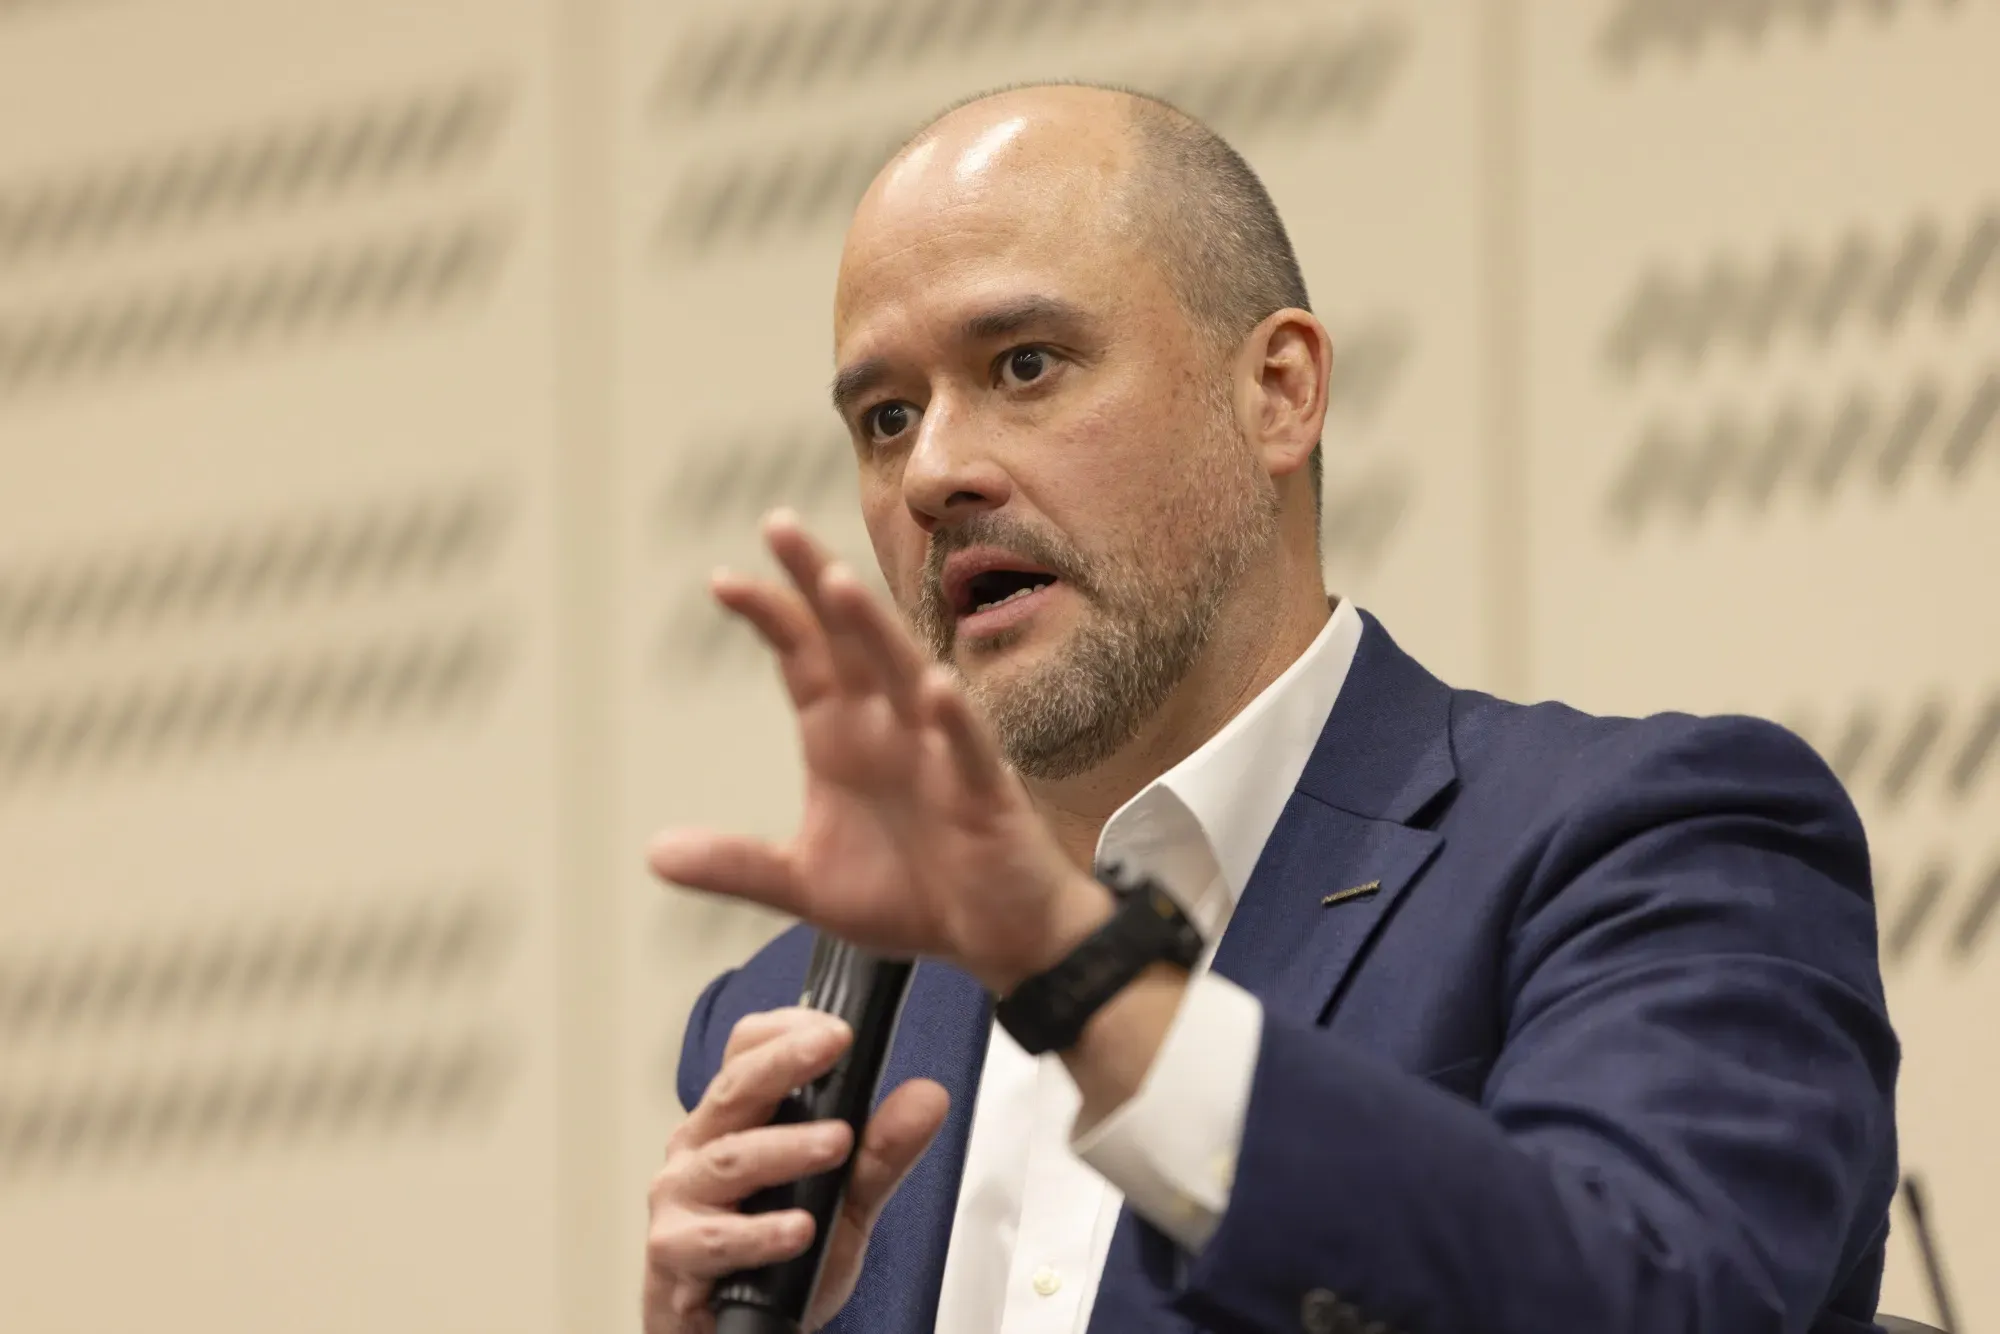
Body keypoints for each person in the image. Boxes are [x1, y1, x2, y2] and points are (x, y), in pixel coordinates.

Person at [641, 83, 1900, 1334]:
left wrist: (1076, 970)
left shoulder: (1649, 846)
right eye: (886, 417)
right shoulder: (793, 1022)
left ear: (1279, 391)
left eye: (1024, 364)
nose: (931, 472)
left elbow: (1652, 1298)